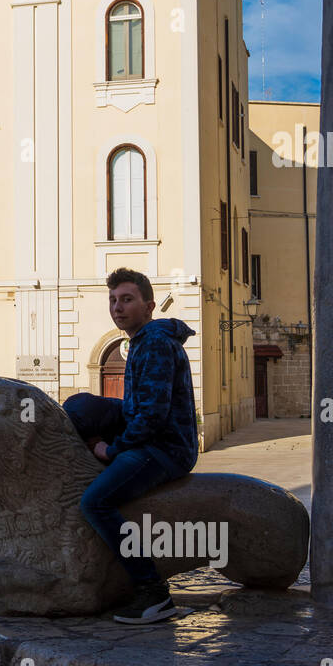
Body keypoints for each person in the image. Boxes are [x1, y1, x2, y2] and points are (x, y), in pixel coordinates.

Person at [63, 268, 199, 625]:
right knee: (78, 407)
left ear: (149, 305)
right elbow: (139, 408)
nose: (117, 307)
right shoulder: (141, 341)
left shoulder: (154, 342)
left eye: (127, 299)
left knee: (95, 502)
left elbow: (152, 416)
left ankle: (152, 592)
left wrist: (112, 450)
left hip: (166, 448)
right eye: (113, 300)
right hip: (151, 435)